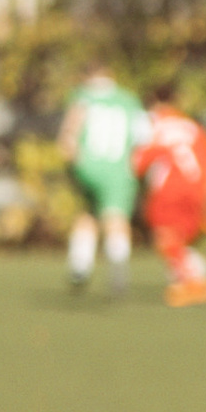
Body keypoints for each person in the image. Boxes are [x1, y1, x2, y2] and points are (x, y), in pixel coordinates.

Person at [134, 86, 206, 309]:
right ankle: (187, 275)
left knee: (164, 237)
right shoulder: (192, 126)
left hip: (169, 189)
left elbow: (140, 160)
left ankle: (194, 281)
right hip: (197, 189)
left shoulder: (153, 125)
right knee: (178, 237)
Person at [58, 69, 147, 293]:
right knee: (116, 218)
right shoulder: (128, 99)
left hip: (88, 165)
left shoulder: (82, 96)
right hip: (118, 168)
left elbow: (69, 134)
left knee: (89, 211)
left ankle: (80, 263)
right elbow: (144, 138)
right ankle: (118, 272)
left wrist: (74, 162)